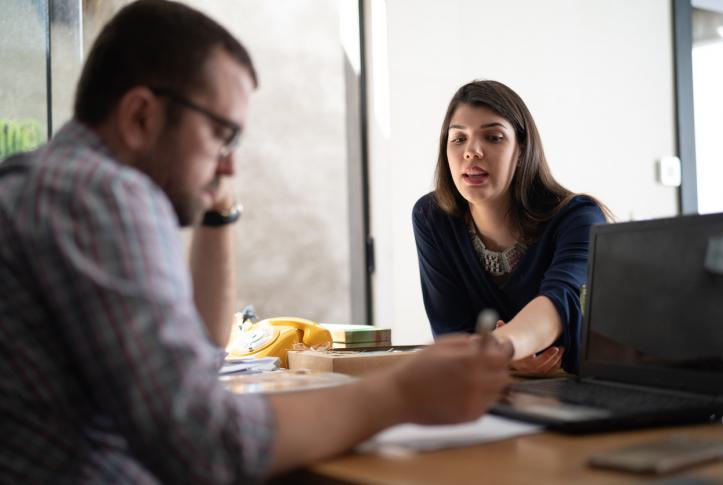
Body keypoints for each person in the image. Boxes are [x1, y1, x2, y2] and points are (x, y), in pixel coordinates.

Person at [0, 2, 513, 483]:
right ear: (140, 117)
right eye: (222, 135)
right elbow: (205, 442)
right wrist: (401, 393)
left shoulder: (46, 182)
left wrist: (219, 210)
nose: (231, 165)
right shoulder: (98, 196)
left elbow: (196, 367)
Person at [412, 80, 608, 376]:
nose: (472, 151)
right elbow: (451, 331)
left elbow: (559, 303)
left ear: (522, 149)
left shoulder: (579, 217)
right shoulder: (431, 217)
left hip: (583, 390)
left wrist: (499, 349)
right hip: (492, 392)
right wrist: (505, 356)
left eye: (493, 137)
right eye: (458, 139)